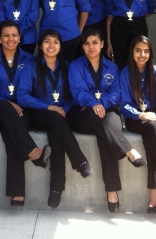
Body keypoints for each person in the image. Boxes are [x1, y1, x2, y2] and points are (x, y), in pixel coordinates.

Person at [68, 28, 146, 213]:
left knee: (105, 132)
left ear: (102, 44)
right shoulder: (76, 66)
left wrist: (101, 103)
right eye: (86, 43)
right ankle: (128, 150)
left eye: (95, 42)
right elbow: (78, 91)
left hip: (108, 113)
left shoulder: (112, 67)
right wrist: (92, 103)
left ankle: (112, 191)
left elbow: (116, 92)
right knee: (101, 123)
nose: (91, 47)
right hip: (82, 113)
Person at [18, 30, 93, 209]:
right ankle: (80, 160)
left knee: (57, 137)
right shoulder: (31, 67)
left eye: (55, 42)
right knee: (54, 121)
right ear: (40, 45)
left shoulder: (68, 67)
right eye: (47, 42)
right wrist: (49, 107)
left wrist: (64, 110)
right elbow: (22, 96)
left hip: (62, 114)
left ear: (60, 46)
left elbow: (73, 95)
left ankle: (56, 189)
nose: (51, 46)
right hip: (39, 113)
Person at [0, 21, 48, 206]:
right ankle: (33, 151)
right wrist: (7, 103)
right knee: (5, 108)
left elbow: (33, 88)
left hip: (22, 110)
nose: (10, 39)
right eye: (6, 35)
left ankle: (17, 193)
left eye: (14, 35)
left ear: (20, 38)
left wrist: (18, 103)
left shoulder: (29, 59)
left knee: (11, 133)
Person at [119, 35, 156, 214]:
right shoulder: (125, 73)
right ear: (132, 52)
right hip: (134, 120)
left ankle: (154, 194)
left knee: (152, 131)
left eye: (146, 51)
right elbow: (124, 104)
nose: (142, 54)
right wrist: (140, 114)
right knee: (152, 132)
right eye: (138, 50)